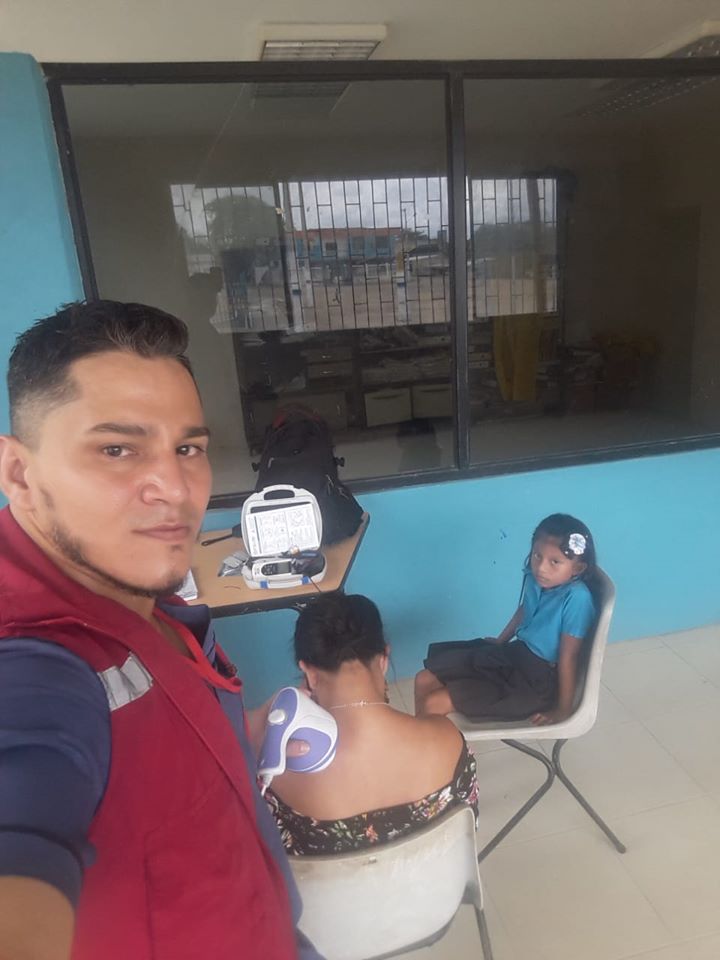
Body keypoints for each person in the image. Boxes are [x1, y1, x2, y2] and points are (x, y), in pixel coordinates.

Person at [0, 301, 320, 960]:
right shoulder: (32, 661)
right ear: (19, 474)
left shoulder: (142, 592)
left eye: (188, 448)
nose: (174, 487)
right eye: (117, 449)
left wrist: (235, 736)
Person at [264, 594, 478, 856]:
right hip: (440, 883)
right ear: (384, 659)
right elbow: (468, 834)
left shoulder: (276, 773)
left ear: (308, 671)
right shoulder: (448, 740)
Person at [414, 514, 597, 725]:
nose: (541, 567)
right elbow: (525, 609)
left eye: (554, 562)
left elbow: (569, 657)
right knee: (423, 678)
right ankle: (418, 740)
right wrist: (501, 640)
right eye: (537, 555)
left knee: (434, 703)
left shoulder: (577, 599)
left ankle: (434, 744)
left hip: (535, 682)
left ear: (578, 568)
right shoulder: (538, 580)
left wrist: (563, 710)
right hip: (513, 656)